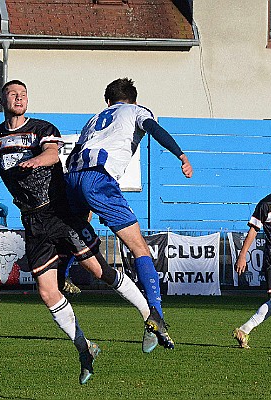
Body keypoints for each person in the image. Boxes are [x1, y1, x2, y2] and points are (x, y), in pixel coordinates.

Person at [0, 79, 163, 385]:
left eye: (23, 94)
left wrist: (36, 161)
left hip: (59, 213)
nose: (19, 98)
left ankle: (149, 315)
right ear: (3, 99)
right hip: (32, 221)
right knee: (46, 292)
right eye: (13, 94)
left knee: (100, 271)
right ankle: (85, 348)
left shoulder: (42, 128)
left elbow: (53, 155)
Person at [65, 78, 193, 346]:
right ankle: (155, 312)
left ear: (108, 101)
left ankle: (62, 275)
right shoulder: (136, 111)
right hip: (98, 179)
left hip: (72, 178)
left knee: (78, 229)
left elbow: (74, 155)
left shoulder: (94, 119)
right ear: (132, 99)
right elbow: (154, 129)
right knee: (139, 248)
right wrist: (181, 156)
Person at [233, 192, 271, 348]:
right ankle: (244, 329)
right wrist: (242, 255)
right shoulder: (265, 205)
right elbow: (253, 230)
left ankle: (244, 330)